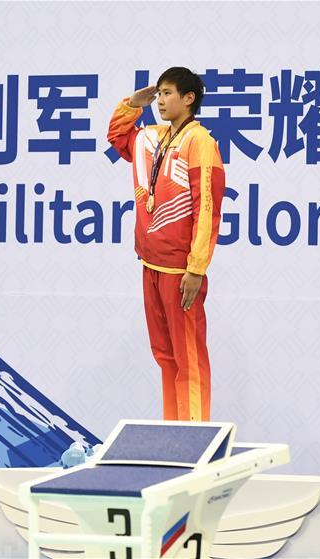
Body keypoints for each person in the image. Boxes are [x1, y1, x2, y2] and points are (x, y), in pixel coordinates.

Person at [108, 67, 226, 421]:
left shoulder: (200, 142)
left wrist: (196, 267)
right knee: (165, 355)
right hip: (151, 265)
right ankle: (173, 433)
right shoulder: (153, 139)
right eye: (158, 93)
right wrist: (132, 104)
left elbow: (207, 207)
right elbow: (117, 137)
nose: (160, 100)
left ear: (189, 99)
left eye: (168, 93)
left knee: (188, 356)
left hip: (181, 270)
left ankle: (193, 435)